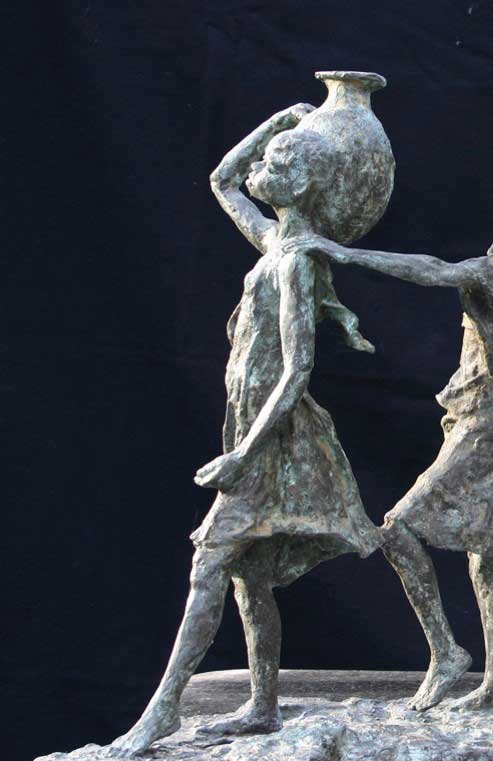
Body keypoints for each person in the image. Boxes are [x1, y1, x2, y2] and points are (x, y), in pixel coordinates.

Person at [287, 138, 493, 712]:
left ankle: (446, 652)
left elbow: (440, 272)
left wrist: (343, 253)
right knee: (487, 557)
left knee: (399, 529)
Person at [112, 104, 379, 753]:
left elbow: (296, 370)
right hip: (250, 428)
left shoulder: (296, 261)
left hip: (271, 440)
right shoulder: (273, 243)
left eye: (277, 163)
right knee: (247, 577)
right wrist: (279, 122)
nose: (261, 167)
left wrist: (244, 457)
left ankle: (164, 709)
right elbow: (222, 179)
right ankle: (262, 704)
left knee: (211, 562)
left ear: (303, 185)